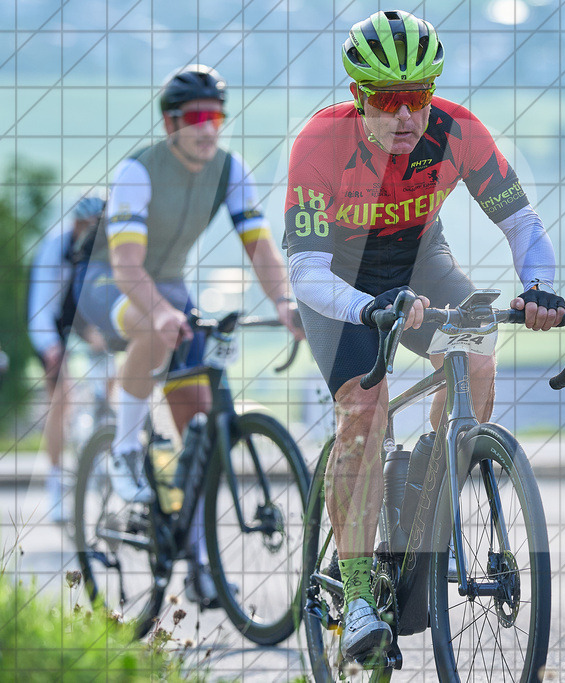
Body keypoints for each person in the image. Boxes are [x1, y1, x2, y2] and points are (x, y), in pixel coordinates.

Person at [286, 10, 565, 659]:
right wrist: (365, 306)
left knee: (480, 363)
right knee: (364, 405)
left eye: (418, 97)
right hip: (340, 282)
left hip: (419, 261)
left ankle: (426, 502)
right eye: (388, 100)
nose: (405, 115)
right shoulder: (319, 143)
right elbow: (304, 269)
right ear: (359, 98)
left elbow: (521, 220)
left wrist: (540, 288)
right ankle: (358, 591)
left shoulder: (458, 131)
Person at [77, 63, 304, 606]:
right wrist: (157, 312)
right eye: (197, 118)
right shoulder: (139, 171)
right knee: (154, 335)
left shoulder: (229, 170)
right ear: (170, 122)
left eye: (217, 118)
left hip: (172, 290)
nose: (209, 129)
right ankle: (126, 450)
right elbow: (127, 265)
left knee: (199, 426)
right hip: (114, 283)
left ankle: (197, 559)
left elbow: (260, 247)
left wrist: (284, 302)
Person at [27, 194, 109, 523]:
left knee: (113, 370)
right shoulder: (54, 248)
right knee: (62, 397)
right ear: (78, 223)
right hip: (48, 321)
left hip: (80, 316)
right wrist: (52, 350)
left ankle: (102, 445)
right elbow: (39, 313)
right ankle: (55, 483)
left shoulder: (99, 250)